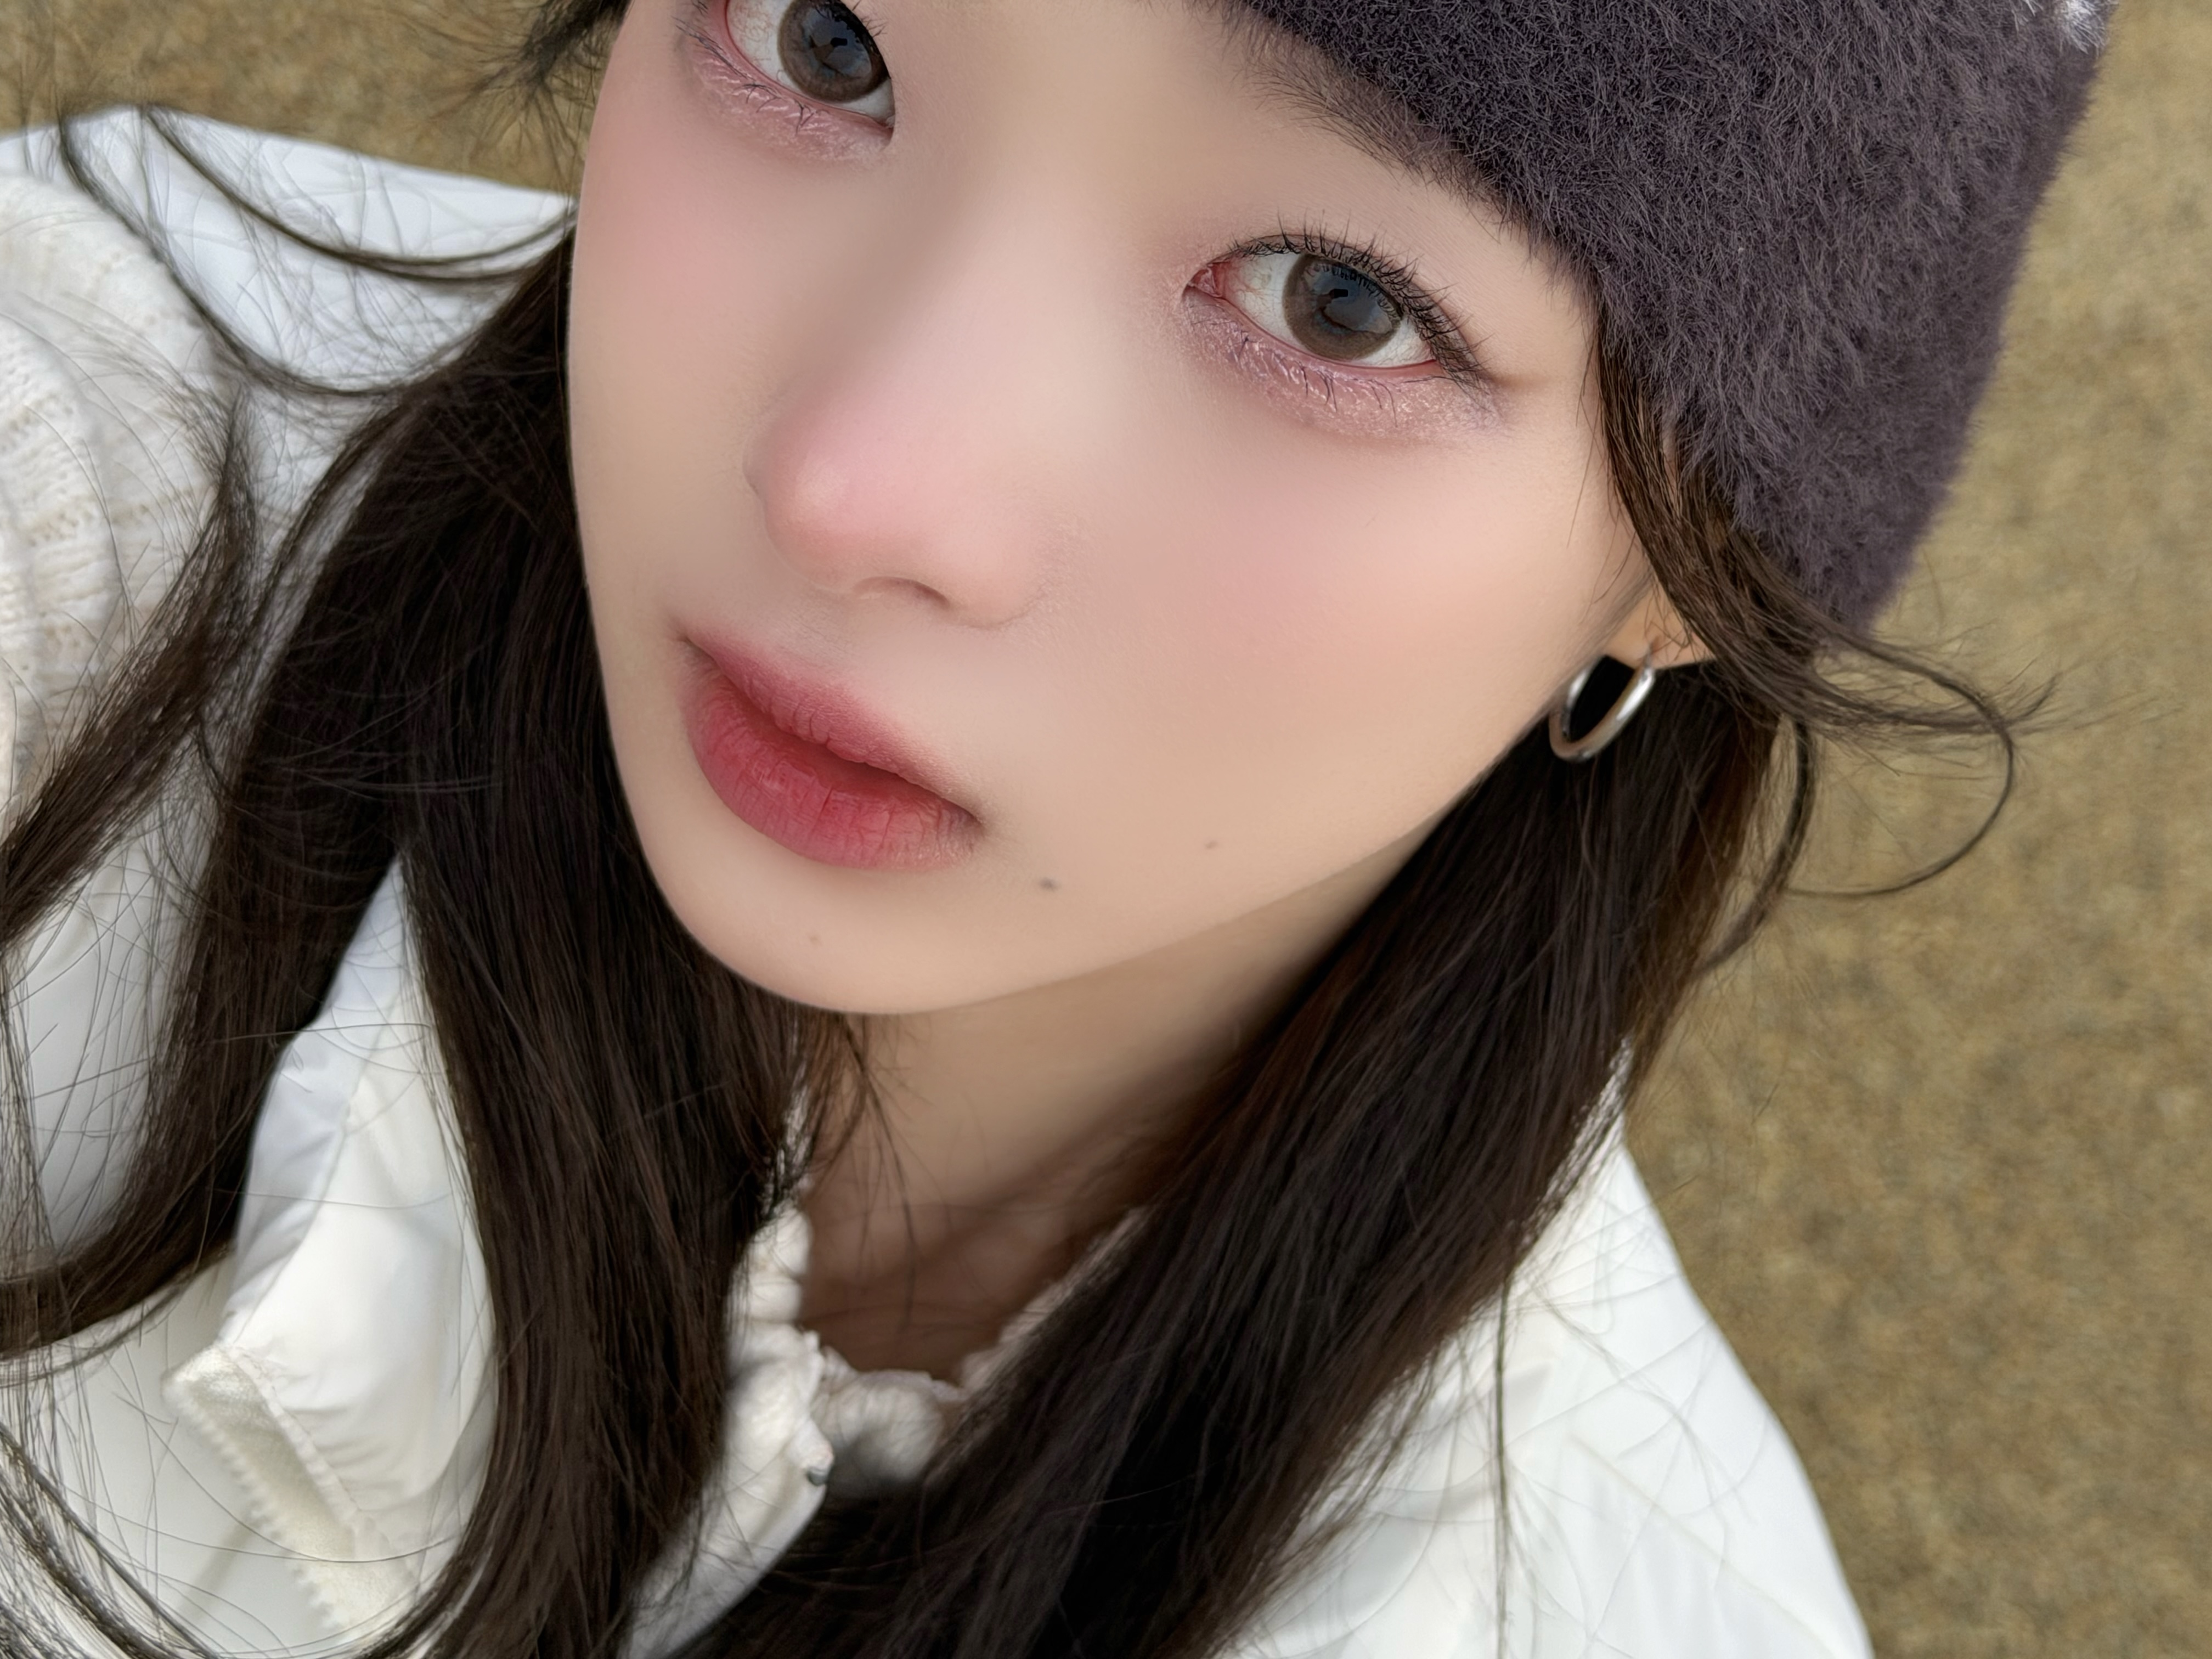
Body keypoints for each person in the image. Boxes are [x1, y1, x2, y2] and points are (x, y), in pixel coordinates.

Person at [0, 2, 2104, 1654]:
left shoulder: (1605, 1605)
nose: (852, 488)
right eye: (828, 40)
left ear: (1691, 564)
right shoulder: (81, 495)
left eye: (1333, 301)